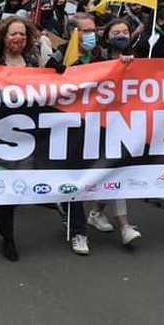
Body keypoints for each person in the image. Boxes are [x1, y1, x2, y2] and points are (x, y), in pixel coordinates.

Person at [0, 16, 41, 261]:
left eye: (23, 34)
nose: (18, 38)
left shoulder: (34, 62)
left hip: (26, 132)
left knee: (21, 182)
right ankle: (9, 237)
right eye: (14, 34)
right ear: (3, 37)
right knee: (8, 183)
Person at [46, 13, 105, 255]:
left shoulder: (101, 54)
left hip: (98, 124)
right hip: (69, 126)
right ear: (74, 34)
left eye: (94, 30)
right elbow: (43, 85)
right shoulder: (60, 56)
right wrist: (57, 74)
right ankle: (78, 231)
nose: (92, 34)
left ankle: (86, 213)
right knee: (75, 177)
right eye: (86, 30)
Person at [86, 19, 141, 246]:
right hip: (97, 123)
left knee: (116, 170)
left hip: (124, 123)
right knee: (115, 170)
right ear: (106, 36)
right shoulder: (97, 58)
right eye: (116, 32)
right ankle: (124, 225)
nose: (122, 35)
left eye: (125, 32)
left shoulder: (137, 59)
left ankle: (97, 213)